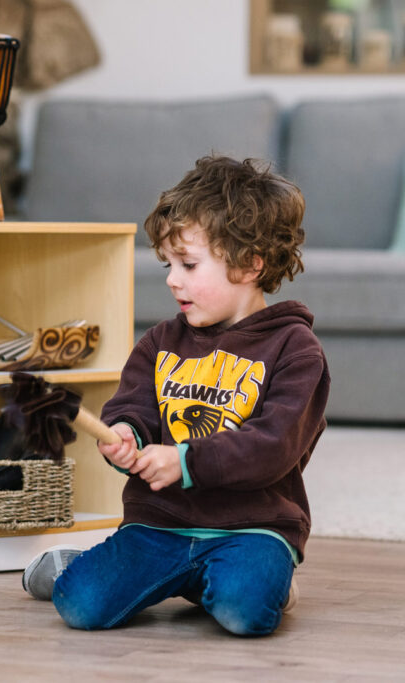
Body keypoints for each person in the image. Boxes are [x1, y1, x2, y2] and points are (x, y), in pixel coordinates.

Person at [21, 155, 329, 636]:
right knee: (80, 606)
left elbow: (274, 446)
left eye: (188, 264)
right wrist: (124, 434)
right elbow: (132, 409)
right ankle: (108, 568)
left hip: (251, 529)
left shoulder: (296, 349)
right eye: (169, 264)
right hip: (160, 524)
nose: (171, 279)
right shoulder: (161, 341)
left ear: (250, 264)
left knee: (246, 613)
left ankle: (255, 578)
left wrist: (185, 461)